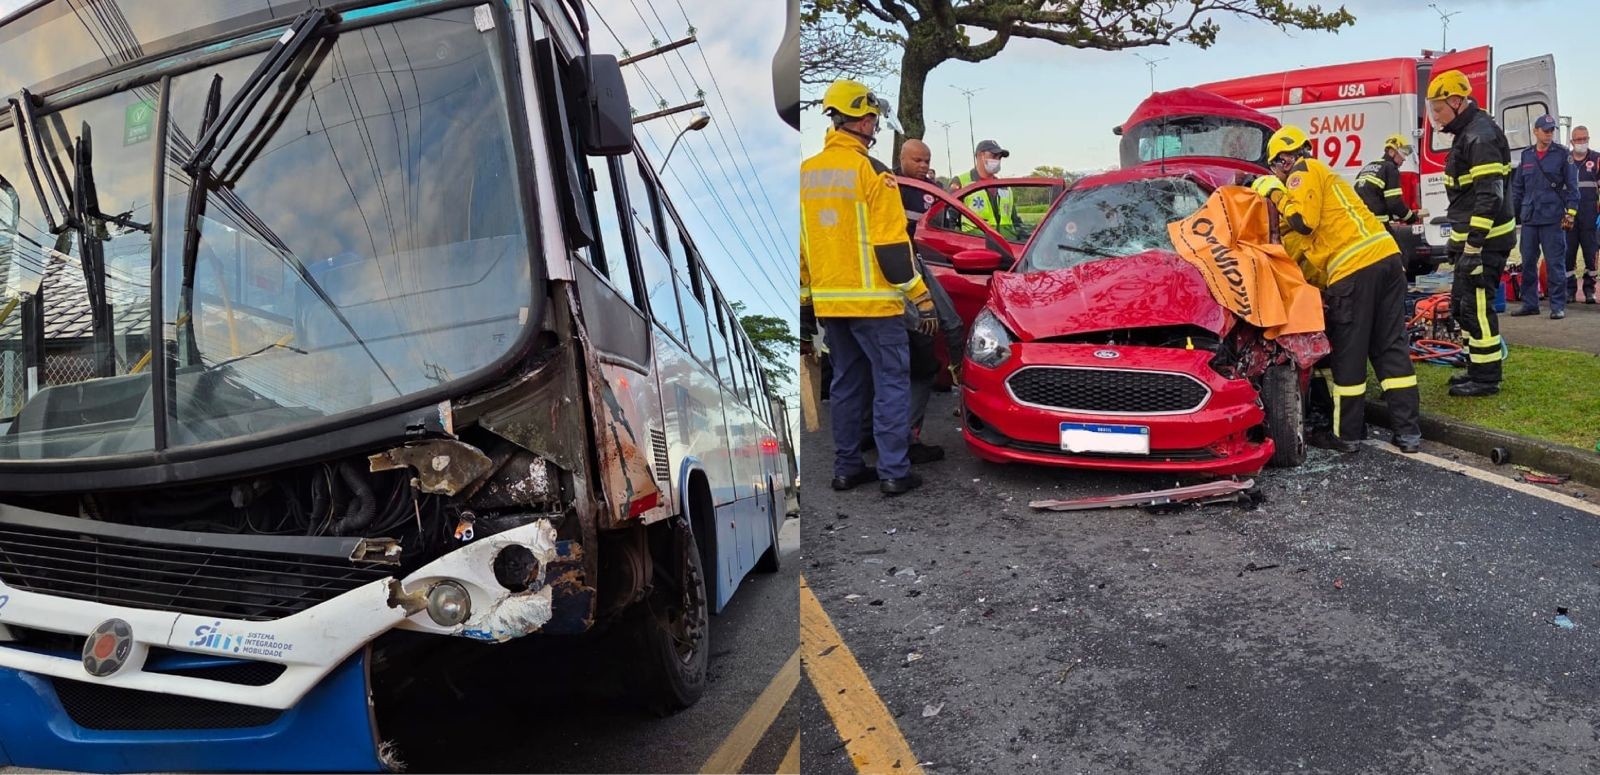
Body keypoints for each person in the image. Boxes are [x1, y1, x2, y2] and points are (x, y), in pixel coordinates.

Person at [1250, 124, 1422, 454]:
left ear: (1285, 159)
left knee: (1349, 354)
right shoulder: (1327, 183)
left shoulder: (1303, 171)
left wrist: (1273, 191)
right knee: (1390, 348)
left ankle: (1347, 435)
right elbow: (1303, 250)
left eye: (1275, 168)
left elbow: (1302, 219)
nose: (1278, 175)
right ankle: (1408, 433)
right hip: (1386, 260)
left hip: (1355, 271)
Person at [800, 79, 935, 496]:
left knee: (845, 385)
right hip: (876, 305)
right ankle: (893, 471)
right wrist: (920, 296)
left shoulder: (805, 174)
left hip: (830, 305)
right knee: (891, 382)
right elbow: (893, 248)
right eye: (873, 118)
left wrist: (806, 307)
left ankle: (846, 468)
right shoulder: (873, 172)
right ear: (862, 119)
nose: (875, 126)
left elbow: (804, 250)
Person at [1427, 69, 1514, 397]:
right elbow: (1466, 198)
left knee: (1477, 306)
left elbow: (1489, 196)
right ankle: (1475, 366)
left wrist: (1474, 246)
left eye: (1438, 108)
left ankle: (1487, 378)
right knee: (1463, 304)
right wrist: (1458, 241)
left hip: (1486, 242)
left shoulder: (1480, 135)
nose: (1435, 116)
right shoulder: (1467, 133)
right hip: (1471, 239)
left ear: (1457, 101)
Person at [1509, 113, 1578, 319]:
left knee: (1555, 263)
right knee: (1528, 262)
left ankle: (1557, 305)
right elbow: (1518, 187)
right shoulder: (1527, 155)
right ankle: (1530, 304)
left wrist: (1571, 213)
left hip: (1552, 218)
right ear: (1535, 131)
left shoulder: (1562, 154)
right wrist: (1513, 214)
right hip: (1530, 218)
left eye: (1551, 131)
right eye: (1545, 131)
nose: (1549, 134)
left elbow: (1573, 187)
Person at [951, 139, 1026, 241]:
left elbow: (1015, 220)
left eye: (999, 157)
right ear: (980, 155)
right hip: (977, 246)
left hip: (1008, 245)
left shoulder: (1005, 187)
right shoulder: (962, 182)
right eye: (994, 156)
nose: (998, 160)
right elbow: (949, 220)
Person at [1354, 134, 1419, 225]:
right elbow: (1394, 203)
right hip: (1378, 223)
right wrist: (1411, 217)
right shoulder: (1390, 168)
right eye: (1403, 154)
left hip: (1361, 222)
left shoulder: (1368, 167)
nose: (1404, 159)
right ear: (1392, 152)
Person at [1566, 125, 1599, 304]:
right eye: (1578, 139)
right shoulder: (1566, 159)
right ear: (1572, 141)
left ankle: (1589, 290)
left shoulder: (1597, 159)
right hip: (1569, 217)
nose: (1582, 142)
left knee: (1591, 255)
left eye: (1585, 138)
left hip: (1590, 215)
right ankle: (1569, 290)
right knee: (1567, 254)